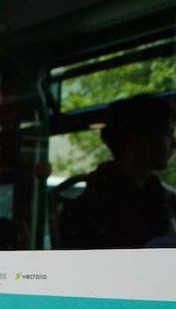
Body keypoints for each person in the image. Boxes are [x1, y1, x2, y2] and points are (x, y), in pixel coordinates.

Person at [58, 94, 176, 249]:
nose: (174, 142)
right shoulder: (90, 212)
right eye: (168, 133)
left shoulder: (159, 196)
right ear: (137, 140)